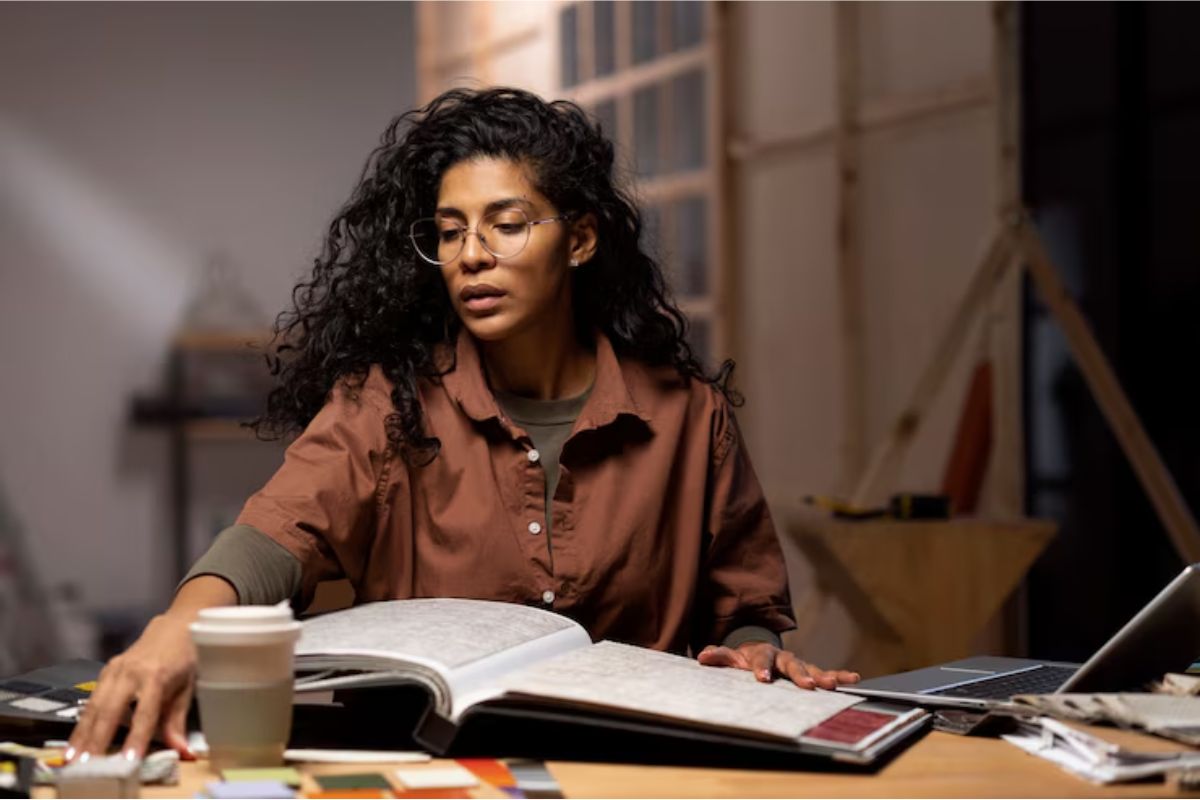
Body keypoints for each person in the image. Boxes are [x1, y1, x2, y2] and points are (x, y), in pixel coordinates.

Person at [67, 87, 860, 762]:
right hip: (435, 771)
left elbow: (745, 608)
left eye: (507, 224)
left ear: (579, 239)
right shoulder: (390, 402)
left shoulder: (688, 414)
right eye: (450, 231)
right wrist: (178, 628)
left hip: (635, 772)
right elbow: (276, 535)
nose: (471, 255)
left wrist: (757, 649)